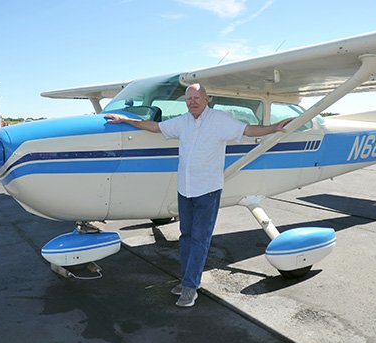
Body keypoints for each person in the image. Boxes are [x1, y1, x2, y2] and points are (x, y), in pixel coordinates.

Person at [105, 83, 292, 307]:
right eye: (189, 99)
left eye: (196, 97)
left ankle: (190, 287)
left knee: (199, 239)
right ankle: (188, 280)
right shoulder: (182, 122)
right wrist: (126, 120)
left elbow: (247, 130)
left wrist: (273, 128)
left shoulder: (220, 120)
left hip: (208, 190)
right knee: (185, 236)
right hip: (186, 189)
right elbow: (155, 127)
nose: (192, 101)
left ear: (207, 98)